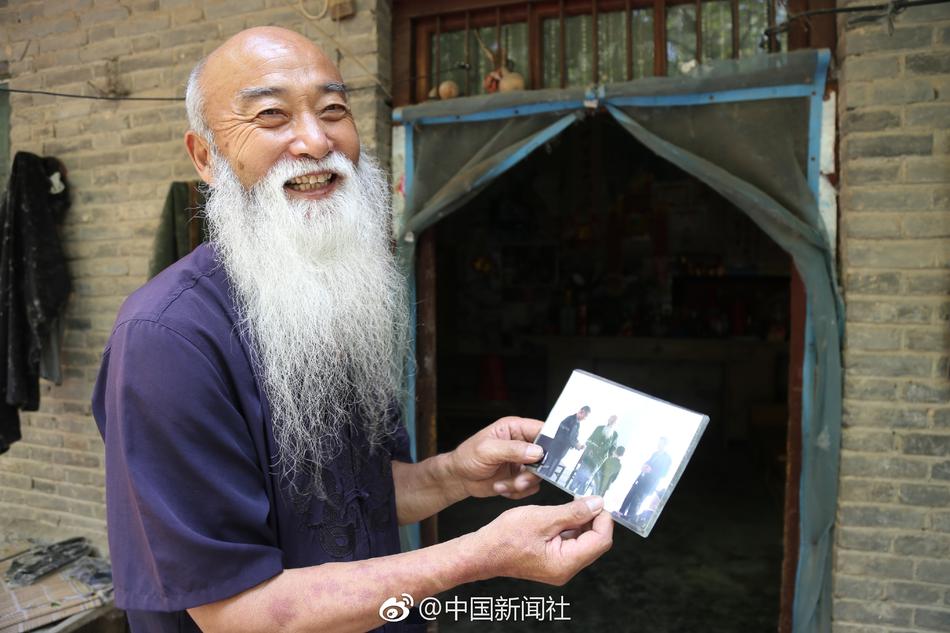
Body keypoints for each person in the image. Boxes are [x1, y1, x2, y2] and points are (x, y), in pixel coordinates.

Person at [91, 27, 613, 633]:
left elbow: (352, 499)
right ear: (206, 157)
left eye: (334, 110)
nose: (316, 140)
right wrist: (478, 557)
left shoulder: (330, 298)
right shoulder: (166, 340)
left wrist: (456, 474)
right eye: (271, 116)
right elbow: (238, 612)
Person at [619, 437, 673, 519]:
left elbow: (663, 474)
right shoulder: (655, 453)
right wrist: (644, 466)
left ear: (665, 445)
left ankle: (627, 522)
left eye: (661, 443)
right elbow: (648, 462)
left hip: (647, 486)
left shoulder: (667, 459)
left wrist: (651, 470)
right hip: (640, 481)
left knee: (634, 505)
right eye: (658, 443)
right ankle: (619, 515)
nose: (658, 445)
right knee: (628, 499)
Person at [569, 415, 619, 495]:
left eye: (614, 420)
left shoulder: (615, 435)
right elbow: (589, 440)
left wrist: (606, 456)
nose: (612, 421)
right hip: (589, 455)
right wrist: (591, 449)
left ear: (616, 423)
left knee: (588, 477)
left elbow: (613, 448)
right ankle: (570, 489)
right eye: (611, 419)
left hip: (598, 460)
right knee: (580, 473)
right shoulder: (599, 428)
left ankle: (579, 495)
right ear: (608, 419)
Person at [537, 405, 590, 481]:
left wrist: (578, 444)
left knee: (549, 473)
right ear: (581, 412)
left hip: (561, 451)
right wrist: (575, 444)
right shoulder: (569, 420)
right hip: (556, 449)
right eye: (585, 416)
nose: (585, 419)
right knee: (545, 469)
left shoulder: (577, 424)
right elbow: (563, 435)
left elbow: (573, 437)